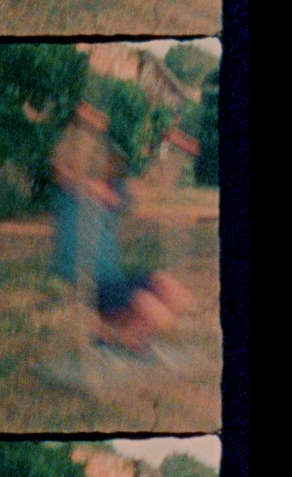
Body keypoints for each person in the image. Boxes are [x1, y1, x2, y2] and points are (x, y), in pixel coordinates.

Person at [53, 102, 193, 355]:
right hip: (88, 282)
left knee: (175, 293)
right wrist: (84, 126)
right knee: (157, 314)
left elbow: (154, 183)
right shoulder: (71, 190)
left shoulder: (114, 192)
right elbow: (63, 166)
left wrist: (173, 151)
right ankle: (118, 338)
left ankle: (118, 339)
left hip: (113, 278)